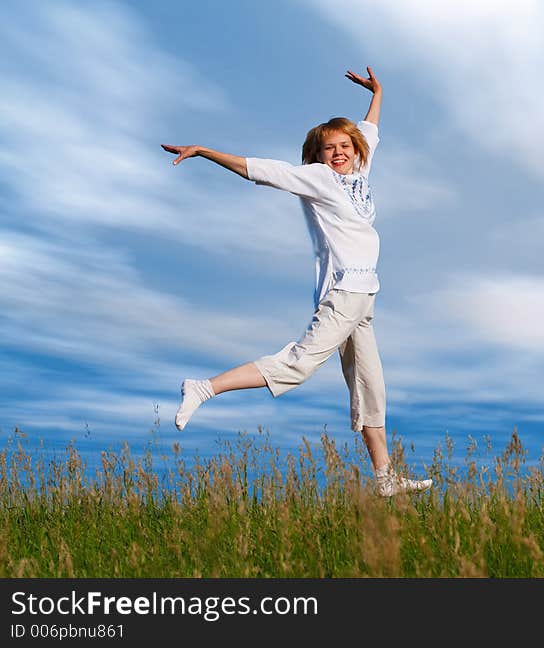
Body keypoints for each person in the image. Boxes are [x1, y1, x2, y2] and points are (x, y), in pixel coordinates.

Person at [161, 67, 432, 497]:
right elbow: (260, 170)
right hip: (343, 294)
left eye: (344, 146)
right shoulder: (318, 179)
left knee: (371, 388)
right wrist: (204, 152)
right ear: (319, 154)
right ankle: (204, 388)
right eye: (330, 148)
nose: (339, 153)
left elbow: (370, 129)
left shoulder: (359, 169)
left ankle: (385, 479)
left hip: (365, 300)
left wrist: (378, 91)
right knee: (299, 365)